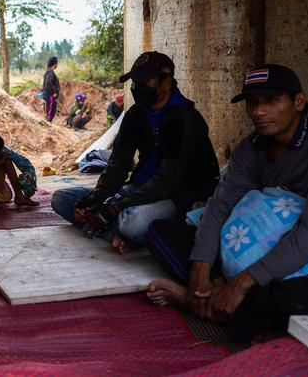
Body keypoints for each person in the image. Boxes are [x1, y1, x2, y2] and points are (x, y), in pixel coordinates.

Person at [145, 64, 308, 339]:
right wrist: (200, 268)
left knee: (296, 305)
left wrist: (241, 284)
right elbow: (220, 206)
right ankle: (217, 298)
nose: (258, 111)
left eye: (271, 101)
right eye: (252, 103)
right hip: (262, 252)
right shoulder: (251, 148)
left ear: (298, 102)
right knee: (161, 233)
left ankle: (199, 301)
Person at [52, 51, 219, 254]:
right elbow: (118, 164)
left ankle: (119, 230)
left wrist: (115, 208)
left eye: (144, 82)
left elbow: (167, 181)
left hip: (177, 196)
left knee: (134, 223)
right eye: (134, 82)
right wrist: (95, 199)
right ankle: (114, 235)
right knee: (62, 199)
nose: (136, 88)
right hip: (138, 190)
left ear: (166, 83)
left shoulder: (185, 118)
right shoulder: (136, 115)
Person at [41, 56, 61, 122]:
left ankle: (47, 125)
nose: (57, 64)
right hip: (50, 96)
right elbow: (48, 83)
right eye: (57, 63)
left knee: (49, 112)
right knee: (50, 112)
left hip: (47, 95)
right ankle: (47, 127)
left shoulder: (48, 71)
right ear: (55, 63)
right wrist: (54, 92)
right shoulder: (50, 72)